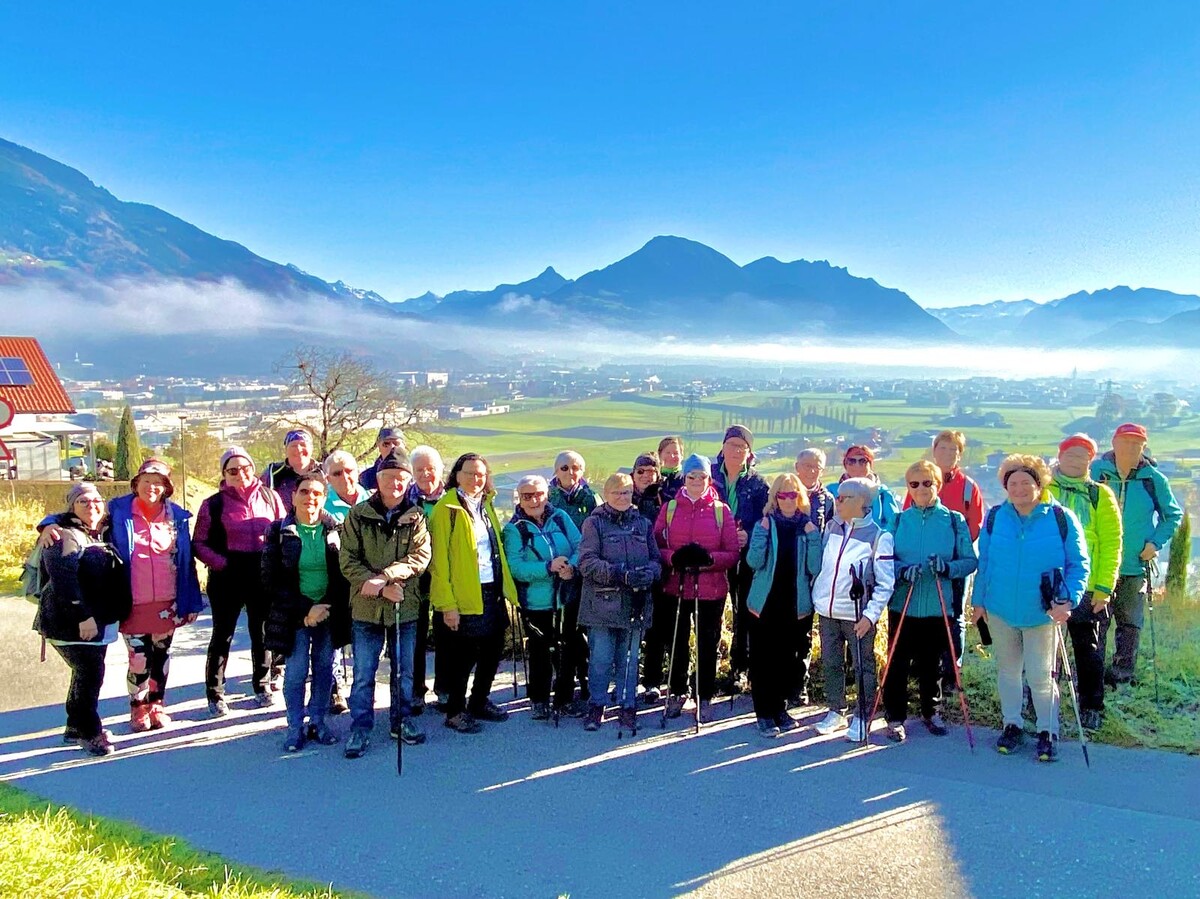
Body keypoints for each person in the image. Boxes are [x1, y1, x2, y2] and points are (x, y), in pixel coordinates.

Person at [972, 454, 1088, 761]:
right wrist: (978, 602)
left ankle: (1047, 730)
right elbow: (985, 562)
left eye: (1026, 482)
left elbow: (1079, 565)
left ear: (1039, 484)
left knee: (1040, 676)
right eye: (1013, 483)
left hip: (1043, 613)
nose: (1020, 488)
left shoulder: (1062, 518)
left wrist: (1069, 601)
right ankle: (1013, 724)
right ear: (1005, 486)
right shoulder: (995, 517)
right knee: (1008, 673)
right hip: (1000, 610)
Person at [339, 449, 432, 757]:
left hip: (404, 606)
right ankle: (360, 727)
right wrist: (378, 588)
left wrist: (386, 578)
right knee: (364, 672)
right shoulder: (358, 514)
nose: (395, 483)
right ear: (378, 480)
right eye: (389, 477)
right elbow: (347, 559)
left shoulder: (416, 516)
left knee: (403, 671)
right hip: (366, 607)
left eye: (401, 478)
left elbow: (419, 557)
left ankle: (401, 721)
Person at [884, 461, 977, 742]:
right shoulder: (898, 520)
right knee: (897, 663)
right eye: (914, 484)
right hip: (903, 603)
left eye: (927, 483)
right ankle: (895, 716)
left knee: (931, 663)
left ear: (938, 485)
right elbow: (885, 561)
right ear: (908, 487)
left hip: (939, 604)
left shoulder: (953, 520)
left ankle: (930, 711)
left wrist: (947, 568)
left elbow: (970, 561)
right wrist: (902, 570)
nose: (921, 489)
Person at [34, 483, 130, 756]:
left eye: (97, 500)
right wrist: (83, 616)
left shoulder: (97, 531)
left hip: (96, 619)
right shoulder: (64, 537)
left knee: (86, 672)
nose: (92, 506)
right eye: (83, 502)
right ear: (72, 507)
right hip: (71, 621)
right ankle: (90, 732)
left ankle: (75, 726)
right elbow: (64, 582)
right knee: (91, 674)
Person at [108, 459, 204, 732]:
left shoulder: (177, 517)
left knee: (161, 655)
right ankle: (138, 707)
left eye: (158, 482)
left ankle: (157, 704)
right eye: (146, 481)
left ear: (166, 488)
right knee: (138, 658)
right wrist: (49, 524)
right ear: (136, 483)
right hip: (133, 600)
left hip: (166, 600)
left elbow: (187, 561)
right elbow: (81, 516)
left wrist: (190, 600)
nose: (152, 487)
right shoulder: (117, 511)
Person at [193, 446, 288, 716]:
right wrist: (222, 563)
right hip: (227, 576)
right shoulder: (213, 503)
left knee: (262, 632)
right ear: (224, 474)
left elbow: (284, 532)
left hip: (262, 572)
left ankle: (261, 685)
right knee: (223, 635)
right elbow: (199, 543)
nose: (240, 474)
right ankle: (215, 693)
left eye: (245, 468)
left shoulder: (270, 497)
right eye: (233, 470)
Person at [429, 453, 518, 734]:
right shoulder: (447, 509)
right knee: (463, 656)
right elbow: (438, 561)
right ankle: (455, 710)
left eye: (481, 474)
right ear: (457, 475)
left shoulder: (486, 505)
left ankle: (479, 701)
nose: (476, 479)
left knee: (493, 649)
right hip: (465, 593)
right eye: (470, 473)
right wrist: (447, 604)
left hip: (491, 589)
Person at [262, 472, 350, 751]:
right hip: (295, 615)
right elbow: (271, 580)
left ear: (324, 498)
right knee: (296, 672)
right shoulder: (279, 531)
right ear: (294, 496)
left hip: (327, 612)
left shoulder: (336, 530)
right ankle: (294, 727)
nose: (309, 497)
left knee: (325, 670)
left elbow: (344, 575)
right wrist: (306, 611)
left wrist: (325, 607)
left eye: (316, 493)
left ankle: (319, 723)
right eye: (304, 492)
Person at [1090, 423, 1182, 686]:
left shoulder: (1153, 479)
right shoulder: (1095, 472)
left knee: (1129, 623)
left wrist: (1155, 543)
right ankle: (1093, 673)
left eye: (1136, 443)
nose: (1130, 447)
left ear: (1144, 446)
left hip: (1134, 564)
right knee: (1097, 622)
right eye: (1125, 441)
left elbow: (1172, 515)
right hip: (1098, 564)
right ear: (1114, 442)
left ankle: (1121, 674)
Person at [652, 453, 739, 719]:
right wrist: (673, 558)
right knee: (677, 642)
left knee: (707, 643)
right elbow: (656, 545)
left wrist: (710, 560)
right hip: (676, 585)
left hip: (710, 588)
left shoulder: (720, 510)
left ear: (709, 479)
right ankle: (677, 692)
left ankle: (704, 695)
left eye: (702, 477)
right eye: (692, 476)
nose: (697, 481)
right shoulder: (669, 508)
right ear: (684, 478)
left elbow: (733, 552)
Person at [812, 477, 895, 742]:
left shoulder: (880, 537)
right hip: (827, 610)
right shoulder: (832, 527)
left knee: (863, 667)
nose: (837, 501)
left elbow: (885, 583)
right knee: (832, 663)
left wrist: (870, 617)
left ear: (860, 502)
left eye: (843, 498)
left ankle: (863, 716)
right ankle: (836, 710)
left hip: (858, 616)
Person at [1048, 434, 1122, 730]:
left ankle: (1092, 705)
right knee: (1044, 648)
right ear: (1060, 456)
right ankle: (1038, 700)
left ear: (1090, 461)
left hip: (1086, 585)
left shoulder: (1100, 495)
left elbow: (1112, 543)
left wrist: (1104, 588)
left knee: (1087, 649)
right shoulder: (1044, 490)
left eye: (1083, 456)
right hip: (1049, 583)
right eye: (1071, 455)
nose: (1076, 461)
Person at [902, 429, 984, 694]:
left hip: (956, 563)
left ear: (960, 455)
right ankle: (924, 670)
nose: (947, 454)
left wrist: (950, 553)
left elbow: (975, 524)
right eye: (943, 449)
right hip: (921, 564)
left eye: (953, 450)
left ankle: (950, 671)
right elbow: (907, 515)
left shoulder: (969, 486)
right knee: (923, 616)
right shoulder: (919, 479)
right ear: (934, 451)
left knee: (954, 616)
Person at [578, 473, 661, 731]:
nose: (622, 497)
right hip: (602, 604)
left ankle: (628, 705)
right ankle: (597, 704)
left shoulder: (643, 524)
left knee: (630, 657)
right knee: (601, 657)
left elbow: (656, 560)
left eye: (626, 492)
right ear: (606, 495)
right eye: (616, 493)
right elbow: (586, 562)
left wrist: (650, 573)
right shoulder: (594, 523)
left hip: (636, 601)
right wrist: (619, 573)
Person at [745, 473, 822, 737]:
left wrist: (813, 538)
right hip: (765, 603)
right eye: (783, 494)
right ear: (775, 498)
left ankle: (779, 709)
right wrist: (761, 536)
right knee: (763, 660)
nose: (788, 499)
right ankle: (764, 713)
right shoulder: (765, 524)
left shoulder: (808, 528)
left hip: (795, 603)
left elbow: (815, 567)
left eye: (793, 494)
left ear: (800, 497)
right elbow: (753, 562)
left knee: (786, 660)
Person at [502, 474, 582, 721]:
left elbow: (580, 544)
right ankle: (539, 699)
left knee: (568, 648)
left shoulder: (560, 517)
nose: (534, 499)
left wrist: (572, 566)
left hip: (566, 596)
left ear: (546, 495)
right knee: (540, 651)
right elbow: (515, 567)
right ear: (520, 498)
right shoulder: (515, 529)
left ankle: (565, 698)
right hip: (536, 602)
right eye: (527, 496)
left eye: (538, 494)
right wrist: (548, 567)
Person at [710, 425, 770, 679]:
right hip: (713, 553)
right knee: (711, 612)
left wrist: (750, 533)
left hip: (745, 556)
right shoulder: (709, 476)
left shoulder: (758, 483)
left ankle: (740, 669)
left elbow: (766, 517)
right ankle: (707, 669)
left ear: (749, 452)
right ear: (722, 448)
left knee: (744, 611)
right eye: (732, 445)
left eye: (742, 447)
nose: (736, 451)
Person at [546, 450, 597, 714]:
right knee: (561, 633)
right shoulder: (547, 498)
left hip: (583, 573)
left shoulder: (590, 497)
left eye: (575, 467)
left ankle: (585, 678)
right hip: (556, 573)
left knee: (581, 631)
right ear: (556, 471)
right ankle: (562, 683)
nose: (570, 473)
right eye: (564, 468)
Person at [407, 444, 447, 715]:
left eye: (430, 469)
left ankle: (445, 689)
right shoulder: (404, 500)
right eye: (419, 469)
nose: (425, 474)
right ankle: (416, 691)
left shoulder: (453, 499)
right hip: (414, 575)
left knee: (447, 633)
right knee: (416, 634)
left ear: (440, 470)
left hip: (445, 573)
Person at [632, 452, 670, 703]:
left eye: (651, 471)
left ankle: (653, 681)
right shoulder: (623, 496)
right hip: (629, 570)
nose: (646, 476)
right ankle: (628, 679)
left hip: (659, 569)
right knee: (630, 627)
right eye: (640, 472)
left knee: (657, 629)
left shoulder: (665, 498)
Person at [830, 445, 900, 533]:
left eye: (863, 461)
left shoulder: (882, 494)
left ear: (870, 465)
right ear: (845, 464)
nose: (857, 465)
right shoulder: (831, 491)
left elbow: (895, 525)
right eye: (851, 461)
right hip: (840, 542)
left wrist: (877, 536)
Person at [262, 429, 322, 513]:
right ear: (286, 449)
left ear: (311, 449)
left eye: (303, 444)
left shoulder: (324, 470)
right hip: (282, 523)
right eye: (293, 445)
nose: (298, 449)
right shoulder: (272, 472)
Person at [323, 450, 371, 522]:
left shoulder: (372, 499)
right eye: (337, 474)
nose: (345, 478)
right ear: (328, 479)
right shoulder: (322, 504)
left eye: (349, 471)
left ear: (357, 473)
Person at [795, 448, 834, 531]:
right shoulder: (783, 494)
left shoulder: (828, 500)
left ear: (822, 471)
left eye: (817, 467)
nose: (812, 471)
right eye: (807, 466)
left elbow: (829, 531)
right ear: (797, 467)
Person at [359, 426, 406, 492]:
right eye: (386, 444)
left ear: (404, 446)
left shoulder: (417, 473)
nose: (391, 447)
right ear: (379, 447)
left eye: (396, 444)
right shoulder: (367, 478)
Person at [658, 436, 685, 502]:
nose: (671, 456)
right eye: (667, 452)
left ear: (682, 456)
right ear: (659, 455)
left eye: (676, 453)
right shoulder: (654, 478)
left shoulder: (687, 479)